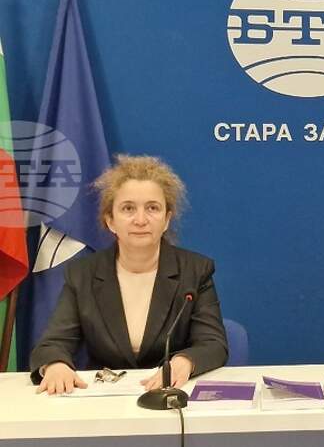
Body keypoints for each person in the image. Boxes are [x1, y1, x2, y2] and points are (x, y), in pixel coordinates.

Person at [30, 155, 228, 394]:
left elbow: (213, 343)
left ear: (166, 219)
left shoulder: (195, 271)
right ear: (110, 221)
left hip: (170, 394)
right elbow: (52, 343)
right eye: (128, 208)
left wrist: (185, 361)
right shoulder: (83, 274)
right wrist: (55, 365)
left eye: (152, 208)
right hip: (105, 399)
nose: (140, 220)